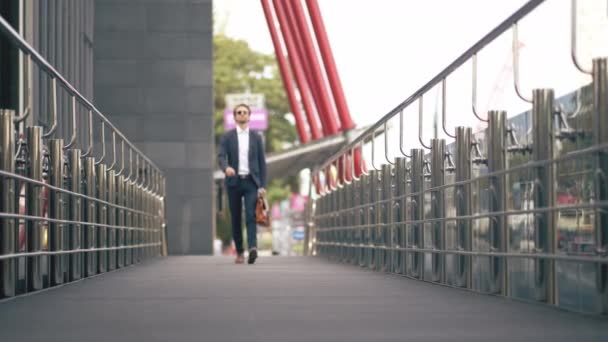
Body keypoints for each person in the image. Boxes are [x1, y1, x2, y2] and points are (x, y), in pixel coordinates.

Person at [218, 103, 267, 264]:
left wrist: (262, 185)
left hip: (251, 182)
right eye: (239, 112)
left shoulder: (256, 137)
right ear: (234, 116)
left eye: (245, 112)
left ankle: (252, 247)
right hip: (234, 182)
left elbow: (262, 162)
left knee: (251, 215)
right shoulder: (227, 137)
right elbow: (221, 156)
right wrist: (226, 168)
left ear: (249, 116)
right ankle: (239, 252)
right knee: (236, 218)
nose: (242, 115)